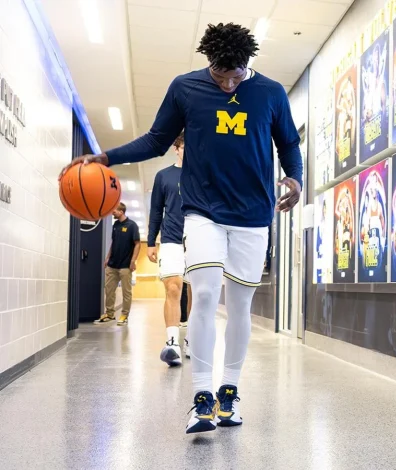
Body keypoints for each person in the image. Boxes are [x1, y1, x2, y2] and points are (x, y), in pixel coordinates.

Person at [61, 23, 303, 434]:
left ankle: (230, 392)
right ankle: (202, 396)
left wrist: (296, 178)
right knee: (206, 294)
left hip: (254, 214)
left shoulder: (272, 93)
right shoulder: (185, 88)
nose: (228, 84)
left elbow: (289, 145)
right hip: (202, 210)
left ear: (248, 65)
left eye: (236, 76)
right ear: (208, 64)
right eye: (219, 75)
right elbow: (156, 140)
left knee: (241, 306)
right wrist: (105, 156)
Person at [147, 131, 189, 366]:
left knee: (196, 292)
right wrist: (151, 241)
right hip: (172, 238)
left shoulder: (204, 175)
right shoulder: (163, 176)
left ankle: (192, 338)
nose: (188, 150)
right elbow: (156, 211)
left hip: (198, 240)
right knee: (173, 288)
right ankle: (172, 343)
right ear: (176, 148)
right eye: (184, 146)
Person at [95, 203, 140, 325]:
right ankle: (109, 314)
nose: (112, 212)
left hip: (125, 265)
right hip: (112, 264)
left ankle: (124, 315)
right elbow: (113, 242)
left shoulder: (132, 226)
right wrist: (107, 258)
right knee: (109, 290)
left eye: (114, 210)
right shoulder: (115, 225)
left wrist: (133, 261)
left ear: (121, 211)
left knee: (126, 292)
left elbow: (137, 244)